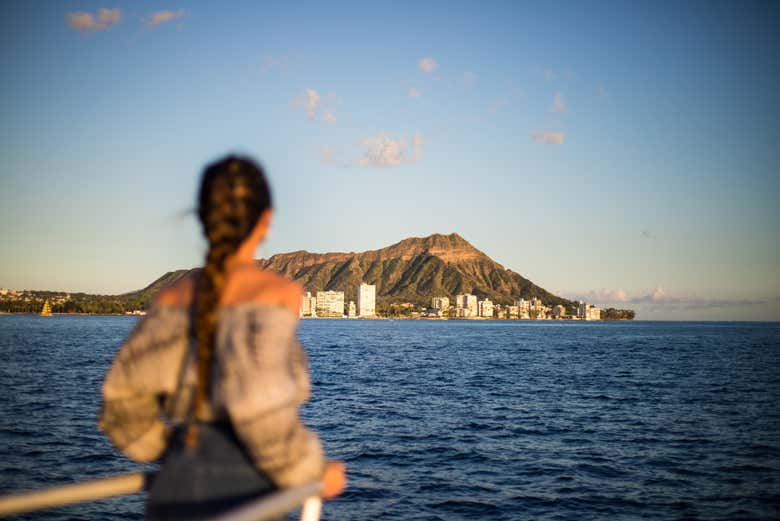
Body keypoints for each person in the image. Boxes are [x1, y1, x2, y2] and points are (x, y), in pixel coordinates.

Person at [98, 155, 345, 520]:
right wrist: (312, 471)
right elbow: (259, 412)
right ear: (266, 221)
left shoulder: (170, 297)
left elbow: (120, 407)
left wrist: (176, 449)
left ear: (203, 218)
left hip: (172, 492)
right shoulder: (276, 294)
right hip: (243, 495)